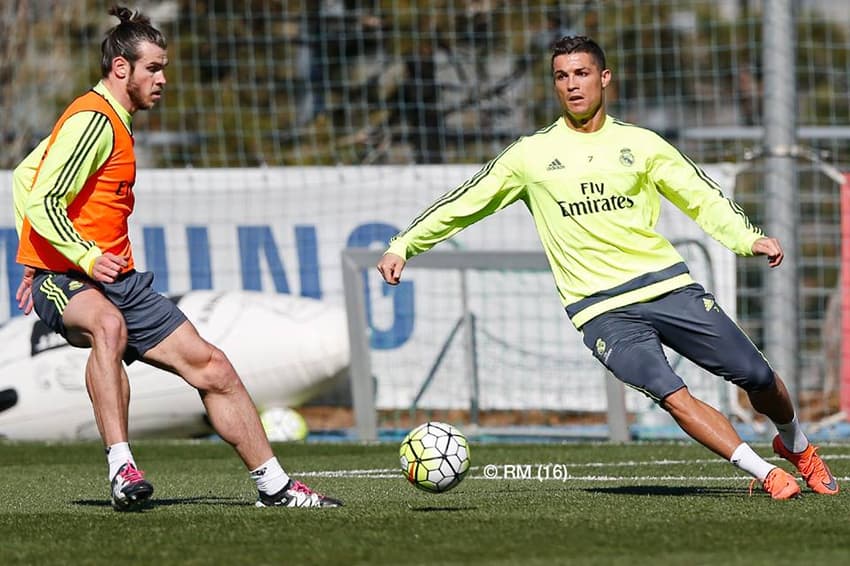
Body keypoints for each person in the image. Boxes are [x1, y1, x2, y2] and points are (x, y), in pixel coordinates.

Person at [376, 35, 838, 500]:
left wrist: (746, 238)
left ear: (603, 78)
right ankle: (765, 474)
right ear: (554, 85)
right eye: (562, 76)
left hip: (667, 287)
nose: (573, 85)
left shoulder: (640, 144)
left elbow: (701, 196)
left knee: (757, 377)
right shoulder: (529, 156)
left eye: (581, 73)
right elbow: (463, 203)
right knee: (670, 392)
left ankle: (796, 447)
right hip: (601, 310)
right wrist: (404, 245)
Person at [12, 6, 341, 511]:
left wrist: (55, 253)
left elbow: (21, 176)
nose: (162, 79)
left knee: (215, 369)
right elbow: (42, 198)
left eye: (163, 68)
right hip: (67, 278)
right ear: (121, 68)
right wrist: (56, 259)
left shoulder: (112, 123)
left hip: (118, 277)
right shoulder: (92, 121)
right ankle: (122, 469)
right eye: (153, 68)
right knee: (107, 326)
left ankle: (275, 486)